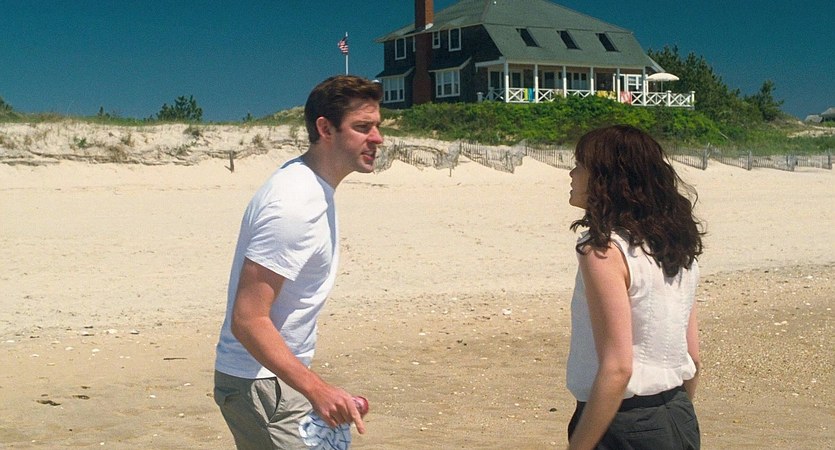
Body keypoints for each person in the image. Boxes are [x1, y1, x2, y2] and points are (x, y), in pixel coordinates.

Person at [213, 75, 383, 449]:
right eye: (362, 127)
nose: (378, 138)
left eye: (376, 126)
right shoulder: (294, 203)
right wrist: (317, 389)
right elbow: (247, 318)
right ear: (325, 128)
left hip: (275, 381)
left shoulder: (311, 189)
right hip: (261, 385)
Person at [564, 125, 704, 450]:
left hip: (622, 420)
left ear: (605, 178)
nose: (571, 174)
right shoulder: (675, 245)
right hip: (678, 412)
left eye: (580, 165)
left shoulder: (603, 251)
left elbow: (618, 368)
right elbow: (693, 357)